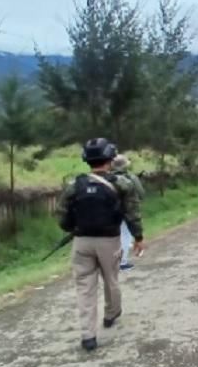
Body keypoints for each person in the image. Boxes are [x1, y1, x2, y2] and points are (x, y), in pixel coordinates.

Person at [56, 138, 145, 352]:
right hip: (109, 240)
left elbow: (62, 215)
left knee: (85, 287)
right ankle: (111, 314)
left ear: (87, 159)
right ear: (110, 159)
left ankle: (88, 336)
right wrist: (138, 237)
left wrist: (72, 228)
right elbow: (132, 212)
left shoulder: (74, 185)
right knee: (111, 279)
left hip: (81, 242)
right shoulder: (121, 183)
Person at [111, 154, 146, 272]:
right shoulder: (130, 177)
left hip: (108, 212)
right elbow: (141, 193)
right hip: (126, 210)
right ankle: (122, 262)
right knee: (125, 235)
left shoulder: (106, 177)